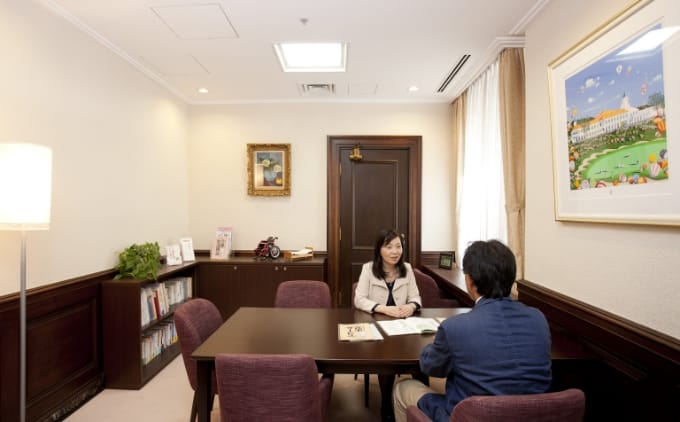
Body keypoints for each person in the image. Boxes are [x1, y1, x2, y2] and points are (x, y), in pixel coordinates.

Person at [392, 239, 552, 422]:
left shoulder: (455, 327)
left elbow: (431, 367)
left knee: (403, 388)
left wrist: (433, 345)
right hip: (531, 415)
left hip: (470, 416)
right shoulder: (538, 319)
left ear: (469, 280)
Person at [354, 229, 422, 422]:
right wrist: (383, 308)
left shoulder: (407, 268)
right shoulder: (368, 269)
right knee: (385, 357)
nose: (395, 251)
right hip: (377, 326)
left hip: (403, 327)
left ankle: (419, 403)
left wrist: (411, 306)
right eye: (389, 246)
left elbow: (416, 297)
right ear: (379, 249)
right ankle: (386, 403)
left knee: (419, 354)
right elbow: (359, 299)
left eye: (398, 246)